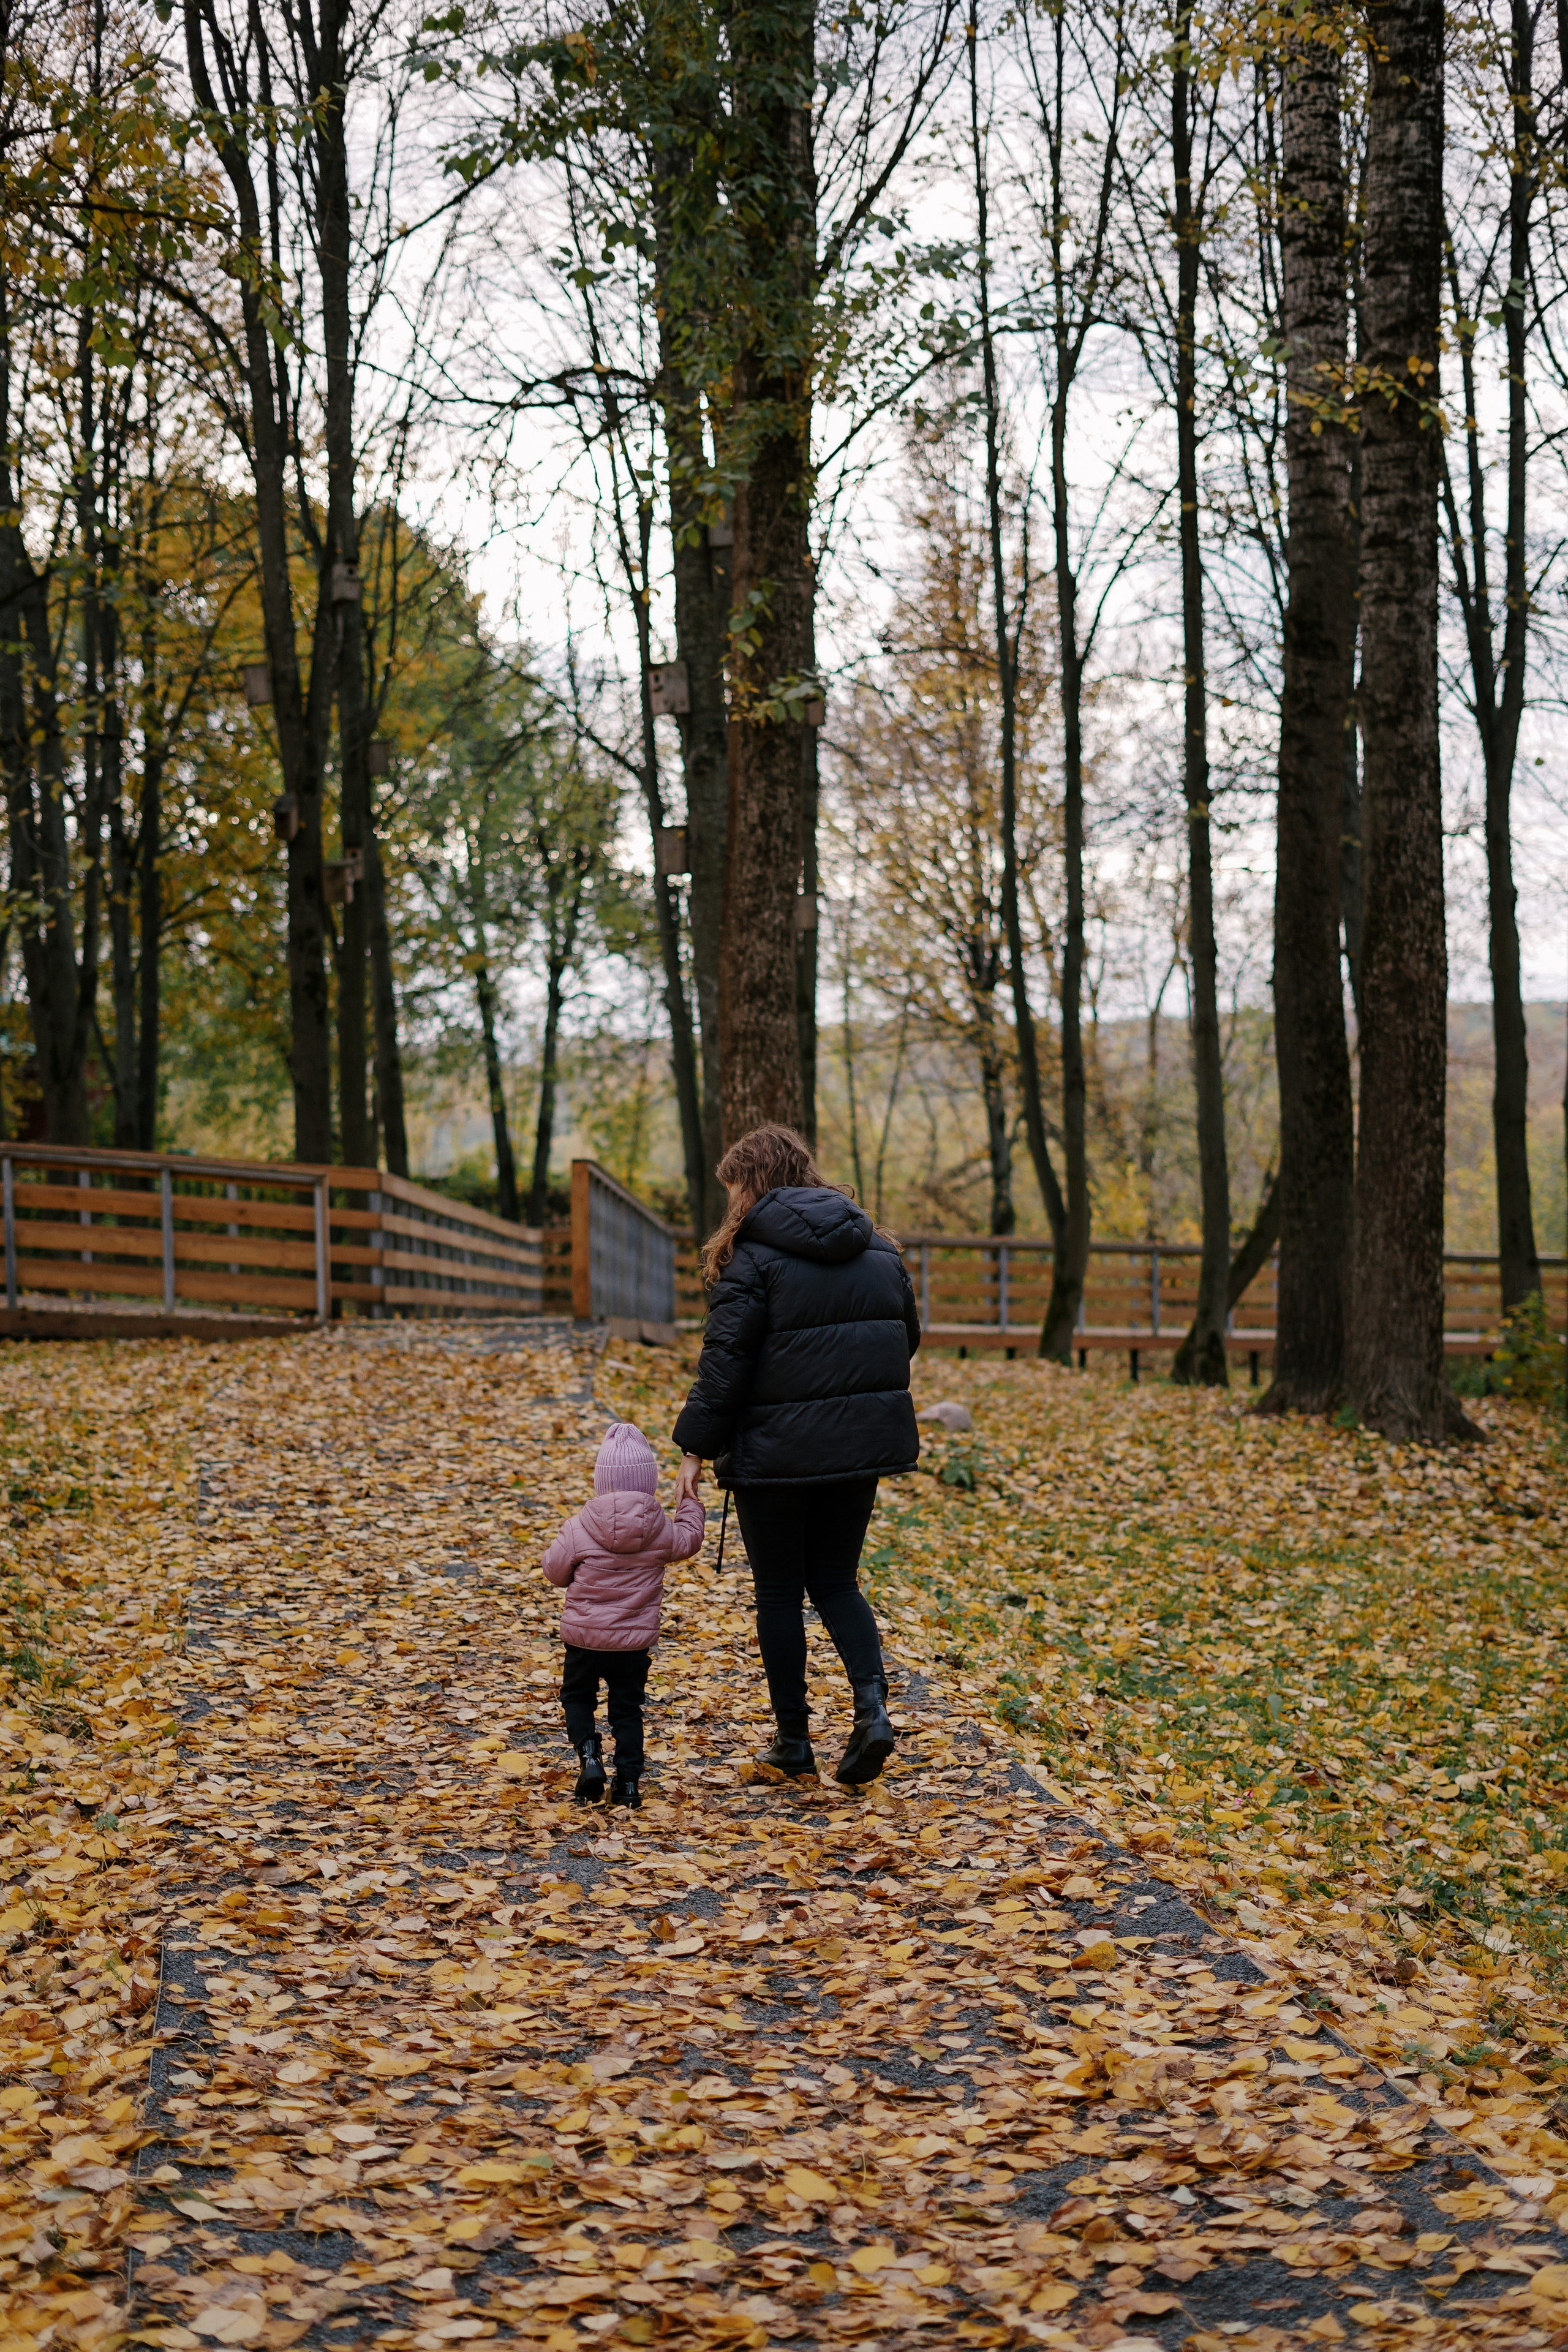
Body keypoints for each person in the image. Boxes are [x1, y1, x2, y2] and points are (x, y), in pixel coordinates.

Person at [672, 1124, 921, 1787]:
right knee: (837, 1582)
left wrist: (695, 1447)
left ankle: (793, 1742)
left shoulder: (751, 1258)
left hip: (776, 1453)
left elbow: (725, 1365)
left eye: (735, 1190)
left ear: (753, 1184)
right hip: (860, 1447)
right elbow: (904, 1337)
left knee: (779, 1592)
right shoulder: (877, 1249)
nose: (733, 1205)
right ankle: (872, 1713)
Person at [542, 1420, 705, 1807]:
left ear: (602, 1481)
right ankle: (628, 1784)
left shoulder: (578, 1528)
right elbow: (691, 1538)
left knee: (577, 1698)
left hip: (584, 1639)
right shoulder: (661, 1530)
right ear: (649, 1482)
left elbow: (555, 1573)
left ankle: (589, 1757)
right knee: (627, 1710)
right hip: (633, 1644)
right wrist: (690, 1500)